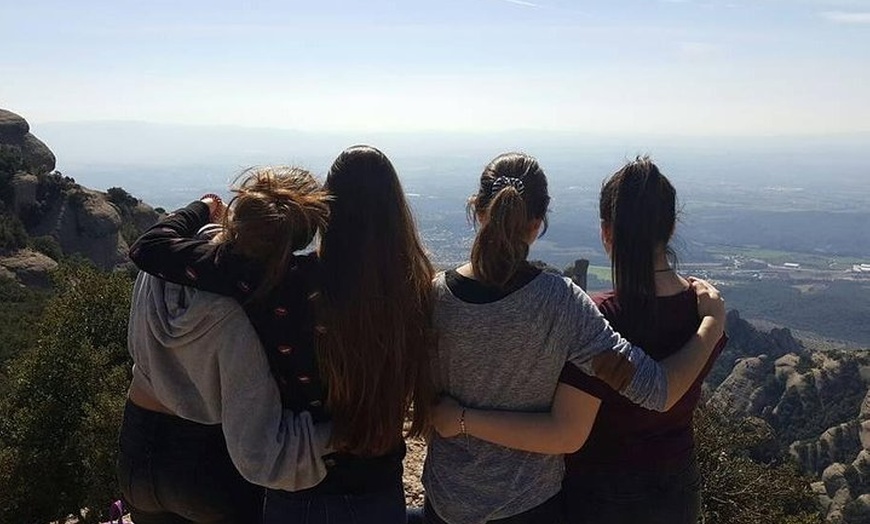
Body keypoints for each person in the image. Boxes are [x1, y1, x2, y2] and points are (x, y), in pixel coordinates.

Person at [128, 146, 435, 524]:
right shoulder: (419, 291)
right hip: (378, 484)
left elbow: (150, 249)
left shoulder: (278, 282)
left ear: (329, 211)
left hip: (299, 488)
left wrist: (204, 208)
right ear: (396, 212)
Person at [422, 152, 725, 524]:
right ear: (537, 225)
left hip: (446, 499)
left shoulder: (434, 295)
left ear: (477, 211)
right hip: (529, 505)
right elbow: (657, 390)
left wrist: (459, 418)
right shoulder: (563, 304)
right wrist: (712, 322)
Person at [119, 166, 335, 524]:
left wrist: (203, 206)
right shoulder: (245, 312)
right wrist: (337, 436)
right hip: (207, 462)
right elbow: (260, 447)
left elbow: (153, 242)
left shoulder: (162, 267)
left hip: (136, 450)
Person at [557, 157, 725, 524]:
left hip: (601, 489)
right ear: (671, 226)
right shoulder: (702, 309)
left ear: (606, 232)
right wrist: (713, 322)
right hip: (679, 486)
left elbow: (566, 426)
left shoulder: (598, 318)